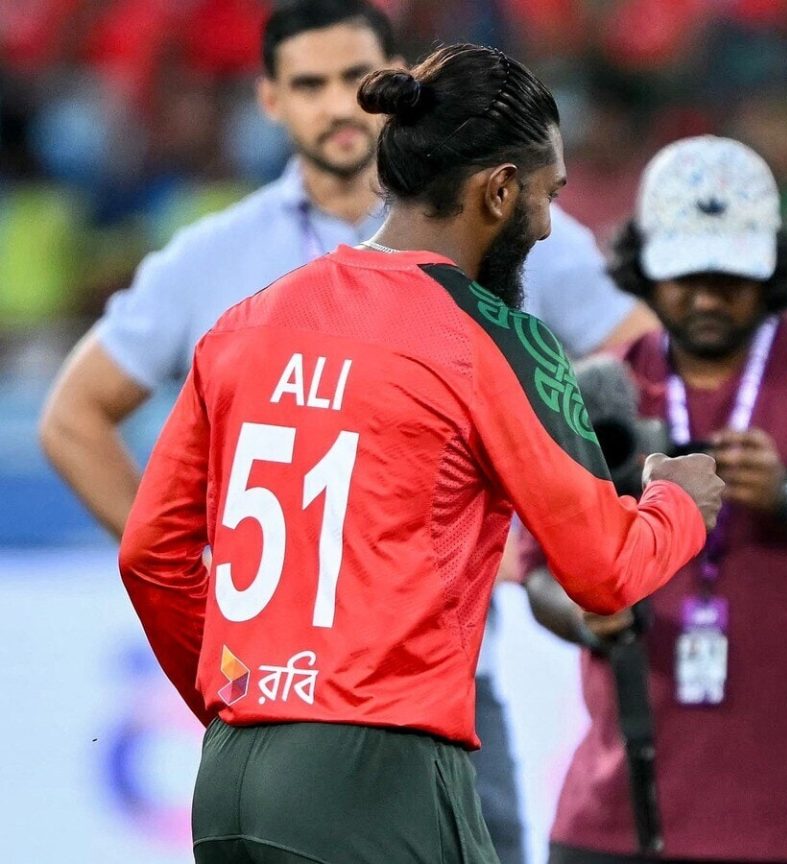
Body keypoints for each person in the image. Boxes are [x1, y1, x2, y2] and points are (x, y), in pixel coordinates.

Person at [35, 2, 653, 861]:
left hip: (301, 731)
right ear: (269, 100)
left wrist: (237, 679)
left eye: (351, 79)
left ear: (394, 85)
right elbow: (71, 418)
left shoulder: (247, 301)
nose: (335, 105)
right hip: (391, 729)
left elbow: (642, 365)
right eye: (309, 84)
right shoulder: (213, 256)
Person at [519, 135, 787, 864]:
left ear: (771, 267)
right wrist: (586, 613)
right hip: (626, 813)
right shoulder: (600, 389)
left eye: (731, 275)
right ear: (644, 265)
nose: (706, 296)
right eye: (684, 273)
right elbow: (539, 568)